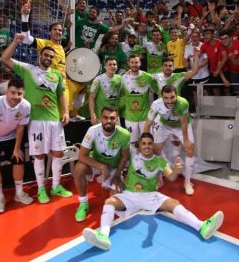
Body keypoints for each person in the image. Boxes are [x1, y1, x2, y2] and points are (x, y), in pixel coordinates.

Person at [82, 132, 224, 251]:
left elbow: (172, 177)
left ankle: (202, 227)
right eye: (144, 143)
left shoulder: (159, 161)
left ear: (153, 145)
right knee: (109, 202)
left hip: (150, 195)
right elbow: (119, 146)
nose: (147, 146)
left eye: (150, 143)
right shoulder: (132, 154)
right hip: (130, 194)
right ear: (139, 145)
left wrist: (177, 170)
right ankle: (104, 236)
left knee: (174, 203)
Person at [1, 33, 72, 204]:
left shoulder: (57, 75)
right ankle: (41, 189)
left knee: (58, 153)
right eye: (46, 55)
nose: (48, 58)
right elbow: (5, 58)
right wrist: (16, 41)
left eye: (51, 56)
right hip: (36, 121)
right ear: (40, 55)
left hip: (55, 120)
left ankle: (55, 185)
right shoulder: (27, 69)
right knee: (39, 156)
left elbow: (61, 94)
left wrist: (66, 112)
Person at [0, 77, 33, 214]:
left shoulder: (26, 106)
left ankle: (19, 194)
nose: (15, 97)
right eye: (13, 93)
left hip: (10, 137)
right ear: (7, 92)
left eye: (19, 94)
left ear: (24, 94)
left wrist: (16, 148)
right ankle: (0, 198)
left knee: (19, 160)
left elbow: (20, 128)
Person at [73, 106, 130, 222]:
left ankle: (107, 185)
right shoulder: (92, 131)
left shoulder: (124, 134)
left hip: (114, 168)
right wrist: (102, 166)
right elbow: (82, 156)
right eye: (105, 118)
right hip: (97, 165)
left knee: (119, 205)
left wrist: (118, 175)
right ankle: (83, 203)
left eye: (112, 118)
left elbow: (125, 157)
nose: (108, 121)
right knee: (79, 168)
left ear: (117, 119)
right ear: (100, 118)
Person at [143, 85, 196, 195]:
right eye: (166, 98)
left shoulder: (183, 103)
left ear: (176, 95)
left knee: (189, 148)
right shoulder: (156, 104)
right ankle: (159, 180)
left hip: (180, 127)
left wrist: (186, 140)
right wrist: (145, 143)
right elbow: (148, 124)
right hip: (164, 126)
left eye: (172, 97)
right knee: (156, 150)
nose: (169, 101)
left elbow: (183, 123)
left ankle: (187, 182)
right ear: (161, 97)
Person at [120, 54, 156, 145]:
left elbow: (158, 91)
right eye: (132, 62)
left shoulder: (148, 77)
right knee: (132, 144)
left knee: (146, 142)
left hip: (145, 117)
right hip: (130, 117)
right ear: (128, 63)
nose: (134, 64)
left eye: (136, 62)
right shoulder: (123, 78)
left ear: (140, 63)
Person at [88, 57, 122, 125]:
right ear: (105, 66)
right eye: (110, 64)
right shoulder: (98, 80)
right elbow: (91, 98)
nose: (112, 66)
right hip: (101, 117)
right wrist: (92, 115)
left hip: (115, 116)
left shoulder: (120, 79)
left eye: (114, 64)